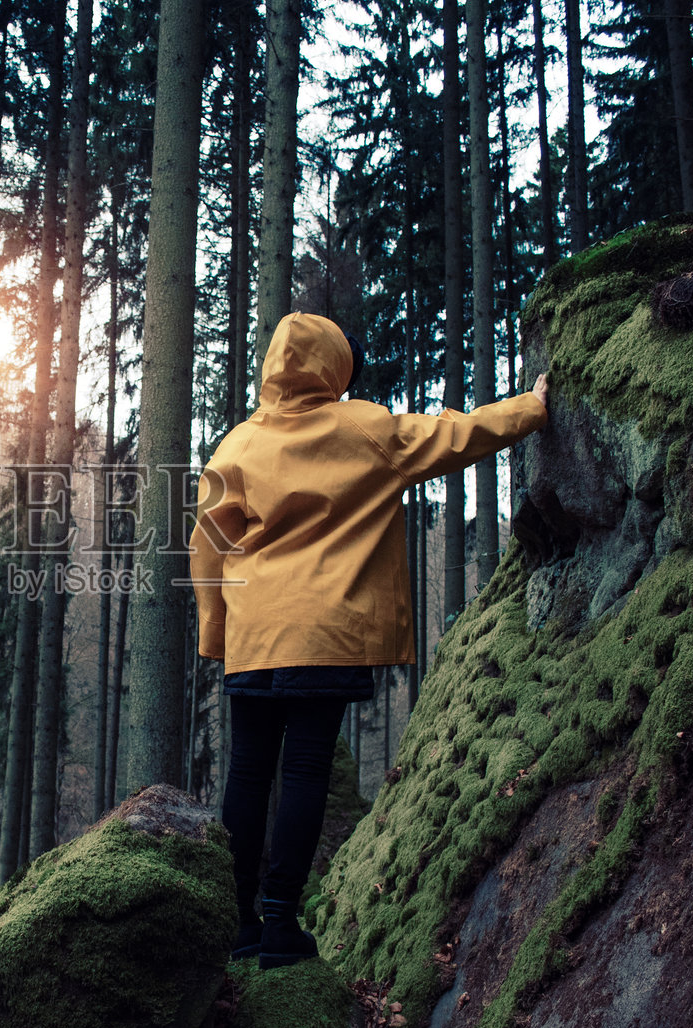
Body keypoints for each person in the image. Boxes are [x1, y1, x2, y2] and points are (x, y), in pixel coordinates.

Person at [189, 312, 548, 969]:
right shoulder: (366, 428)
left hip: (254, 635)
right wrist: (532, 407)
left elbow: (206, 546)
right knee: (302, 769)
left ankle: (235, 922)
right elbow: (457, 434)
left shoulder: (237, 445)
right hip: (326, 631)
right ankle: (279, 923)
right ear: (334, 366)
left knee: (247, 770)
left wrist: (217, 631)